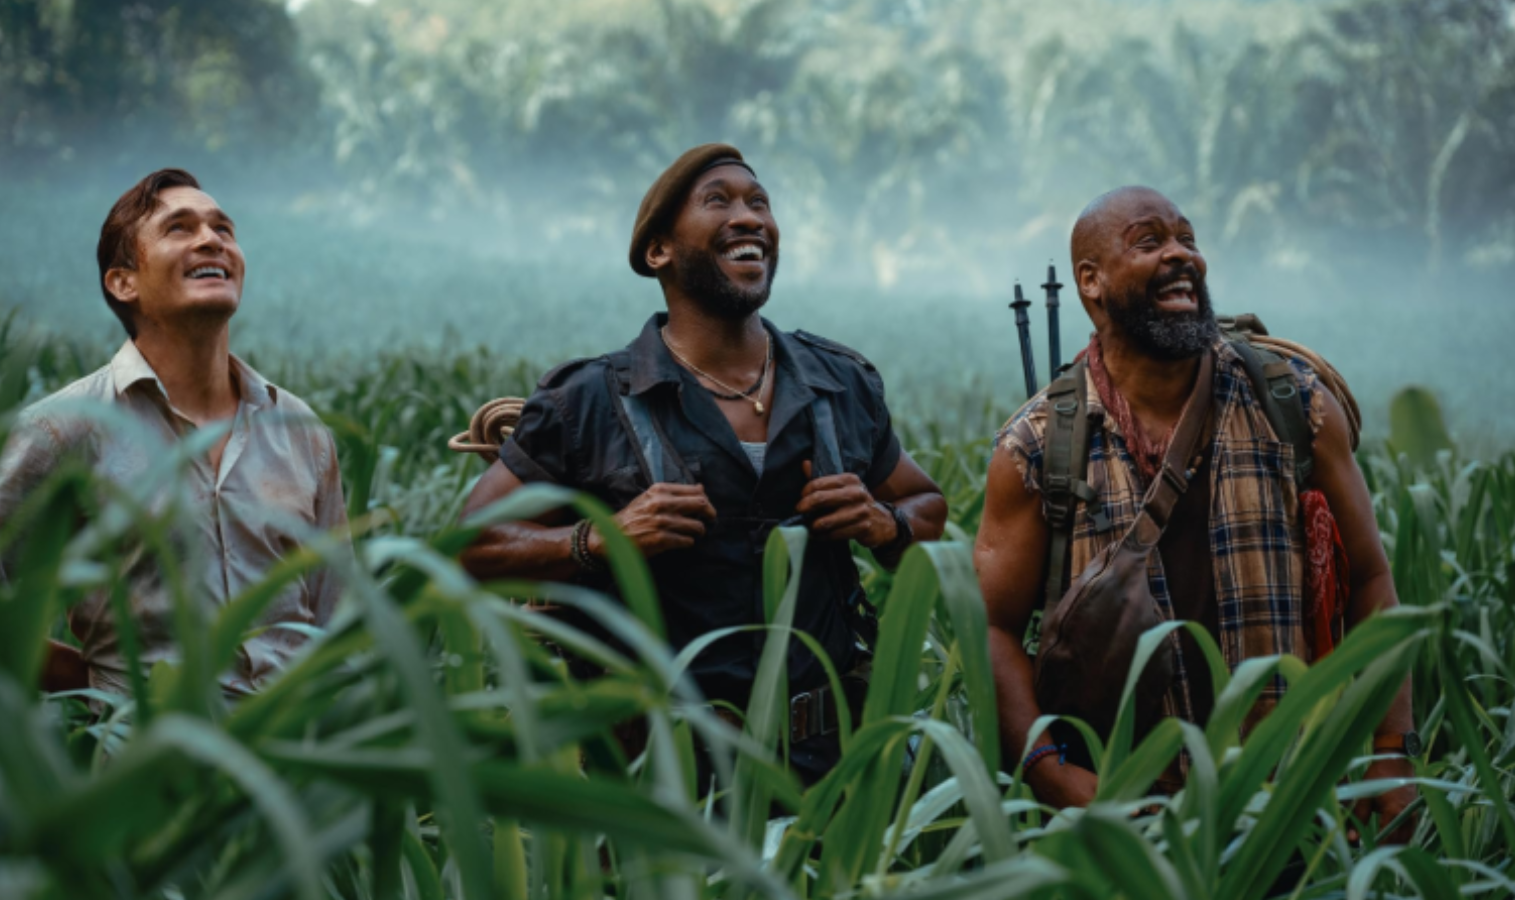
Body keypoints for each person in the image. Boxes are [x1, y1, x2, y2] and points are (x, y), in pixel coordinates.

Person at [459, 144, 946, 783]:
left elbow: (928, 506)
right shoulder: (589, 401)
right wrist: (602, 538)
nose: (749, 218)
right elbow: (469, 547)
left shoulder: (839, 383)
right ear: (658, 251)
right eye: (718, 201)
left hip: (830, 770)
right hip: (661, 778)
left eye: (759, 202)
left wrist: (885, 524)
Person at [974, 186, 1416, 839]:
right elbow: (991, 629)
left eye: (1187, 239)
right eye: (1149, 242)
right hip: (1125, 821)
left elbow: (1371, 582)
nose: (1182, 255)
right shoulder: (1038, 448)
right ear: (1091, 282)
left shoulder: (1293, 406)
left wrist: (1391, 750)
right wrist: (1050, 774)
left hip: (1290, 805)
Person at [0, 168, 350, 698]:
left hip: (294, 739)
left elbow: (336, 614)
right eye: (179, 228)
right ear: (124, 283)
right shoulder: (66, 427)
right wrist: (87, 683)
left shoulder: (299, 429)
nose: (212, 240)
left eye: (223, 229)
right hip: (143, 743)